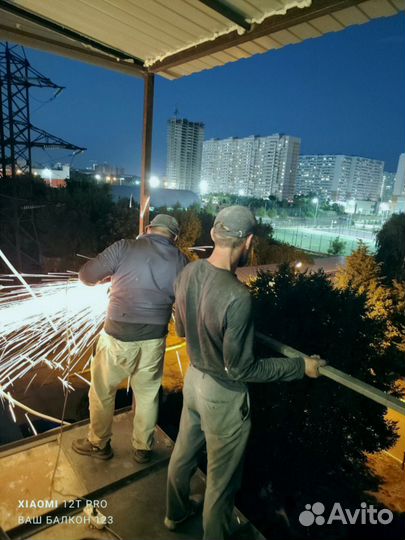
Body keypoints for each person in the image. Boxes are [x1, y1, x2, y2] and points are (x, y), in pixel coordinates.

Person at [165, 206, 325, 540]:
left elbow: (180, 330)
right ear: (249, 241)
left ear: (213, 234)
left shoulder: (187, 274)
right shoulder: (237, 297)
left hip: (194, 381)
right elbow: (240, 368)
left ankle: (175, 514)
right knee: (221, 484)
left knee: (183, 453)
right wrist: (300, 366)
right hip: (222, 397)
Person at [72, 214, 188, 463]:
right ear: (174, 237)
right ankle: (143, 448)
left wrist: (107, 277)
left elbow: (86, 276)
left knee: (103, 391)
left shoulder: (124, 246)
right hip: (154, 339)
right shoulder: (181, 260)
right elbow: (183, 305)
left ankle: (99, 444)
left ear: (148, 229)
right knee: (147, 394)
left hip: (117, 336)